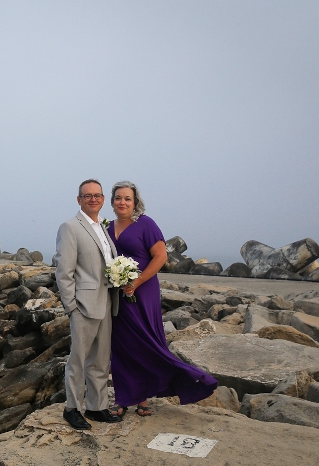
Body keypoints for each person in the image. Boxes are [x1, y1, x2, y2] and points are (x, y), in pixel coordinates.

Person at [106, 181, 218, 417]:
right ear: (112, 201)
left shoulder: (145, 224)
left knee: (147, 343)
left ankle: (157, 393)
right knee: (123, 345)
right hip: (117, 294)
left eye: (127, 198)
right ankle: (124, 398)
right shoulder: (107, 228)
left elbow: (160, 257)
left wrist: (136, 282)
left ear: (135, 202)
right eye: (118, 198)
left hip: (143, 291)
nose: (122, 202)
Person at [55, 179, 123, 430]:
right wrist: (71, 306)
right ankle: (72, 408)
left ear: (103, 199)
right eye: (87, 196)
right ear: (79, 200)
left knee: (101, 360)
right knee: (78, 359)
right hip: (82, 305)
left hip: (106, 301)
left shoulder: (102, 228)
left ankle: (97, 407)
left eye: (97, 195)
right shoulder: (70, 227)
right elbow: (64, 271)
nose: (93, 199)